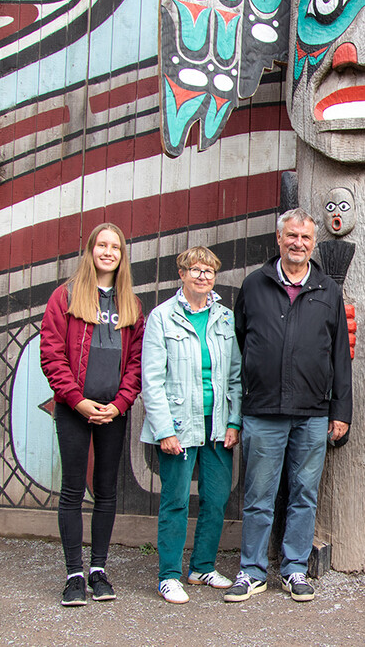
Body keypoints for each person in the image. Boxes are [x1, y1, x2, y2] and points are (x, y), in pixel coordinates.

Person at [224, 208, 352, 604]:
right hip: (263, 410)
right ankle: (252, 571)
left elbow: (340, 357)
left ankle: (295, 569)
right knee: (259, 495)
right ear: (278, 239)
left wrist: (341, 411)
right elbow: (240, 344)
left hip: (313, 413)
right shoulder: (254, 285)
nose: (298, 243)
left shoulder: (328, 290)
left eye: (305, 238)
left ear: (314, 245)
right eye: (291, 236)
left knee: (304, 494)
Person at [39, 222, 144, 607]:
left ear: (121, 255)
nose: (108, 251)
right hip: (73, 409)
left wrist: (119, 404)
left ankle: (98, 570)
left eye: (115, 246)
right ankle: (73, 575)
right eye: (101, 244)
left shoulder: (130, 304)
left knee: (106, 492)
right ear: (90, 250)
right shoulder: (65, 297)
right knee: (71, 490)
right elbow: (51, 355)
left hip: (113, 413)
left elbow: (136, 362)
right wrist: (76, 399)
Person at [140, 246, 242, 604]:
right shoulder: (162, 317)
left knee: (216, 499)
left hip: (217, 426)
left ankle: (202, 566)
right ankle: (168, 574)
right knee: (176, 501)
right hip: (179, 426)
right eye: (195, 269)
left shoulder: (225, 318)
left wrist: (234, 421)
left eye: (209, 270)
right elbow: (151, 380)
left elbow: (235, 377)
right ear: (181, 274)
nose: (202, 276)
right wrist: (164, 430)